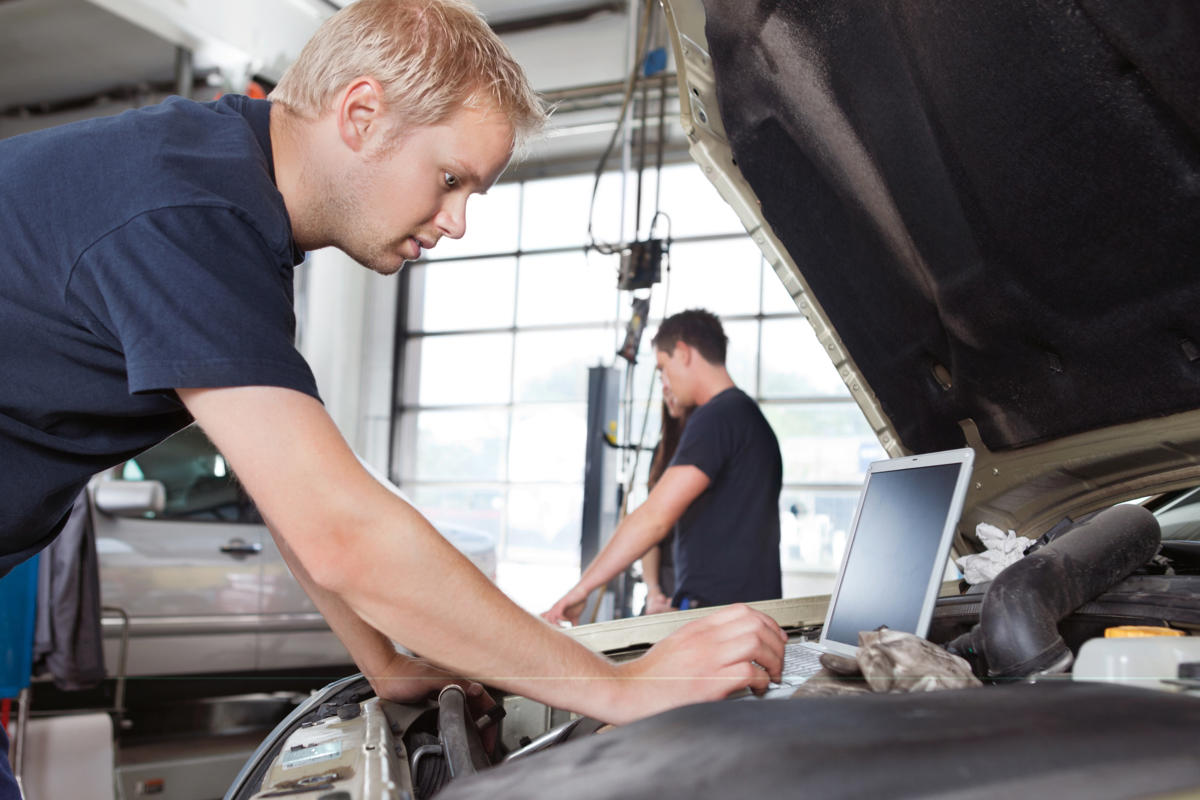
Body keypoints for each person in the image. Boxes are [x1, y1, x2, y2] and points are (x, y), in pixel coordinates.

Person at [0, 2, 787, 794]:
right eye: (450, 180)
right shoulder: (190, 216)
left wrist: (382, 659)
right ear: (362, 114)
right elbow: (342, 528)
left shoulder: (218, 189)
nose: (458, 223)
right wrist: (625, 688)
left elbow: (286, 493)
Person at [544, 309, 784, 624]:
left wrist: (582, 589)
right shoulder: (749, 417)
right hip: (746, 617)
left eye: (662, 368)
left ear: (683, 353)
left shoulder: (716, 417)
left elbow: (654, 518)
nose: (664, 381)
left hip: (722, 619)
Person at [640, 386, 690, 615]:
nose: (669, 391)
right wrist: (653, 591)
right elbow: (650, 528)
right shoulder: (663, 451)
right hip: (667, 577)